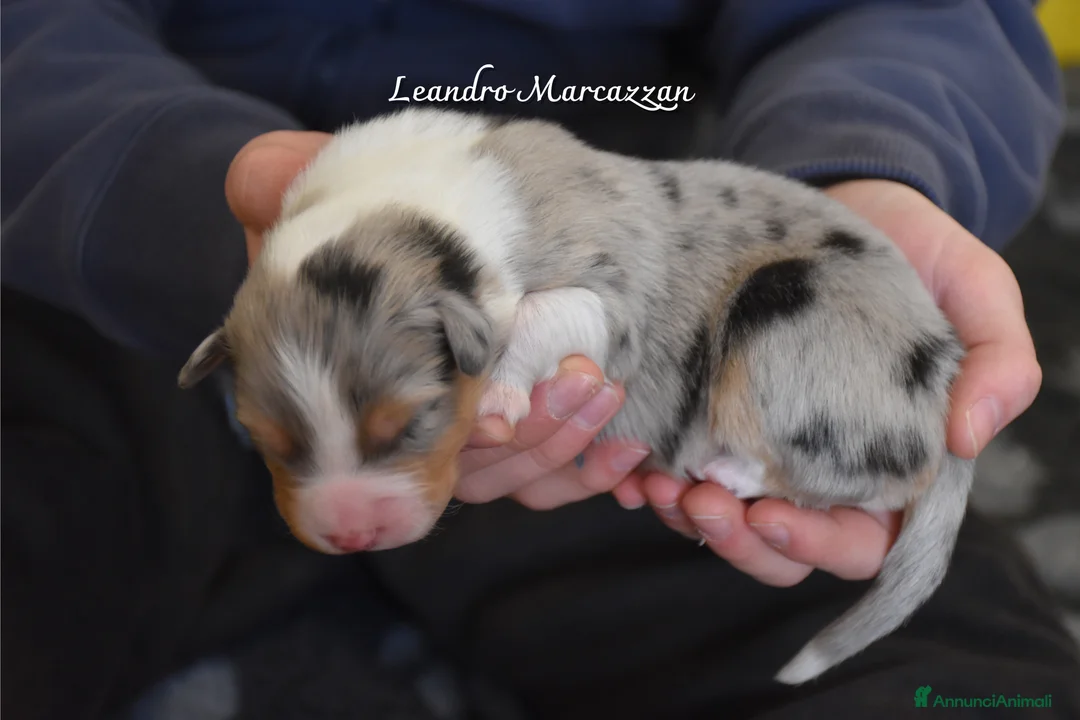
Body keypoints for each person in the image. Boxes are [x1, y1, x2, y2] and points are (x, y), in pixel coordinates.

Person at [2, 1, 1078, 718]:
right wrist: (159, 180)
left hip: (611, 342)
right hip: (146, 272)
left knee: (958, 675)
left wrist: (865, 165)